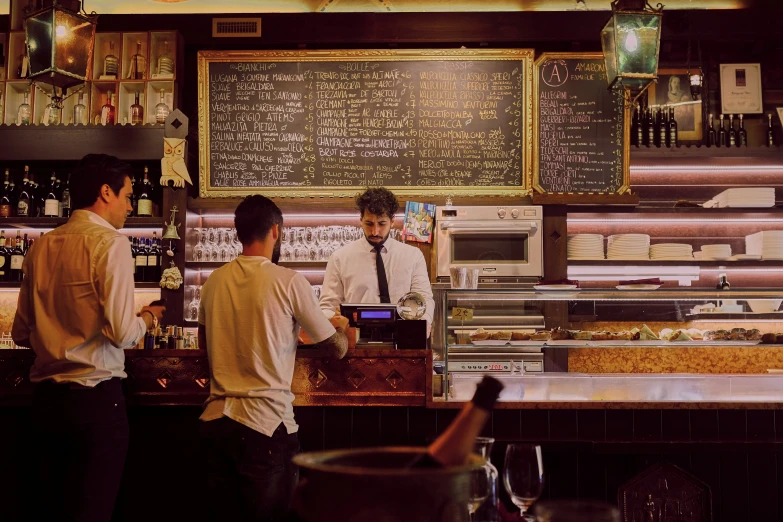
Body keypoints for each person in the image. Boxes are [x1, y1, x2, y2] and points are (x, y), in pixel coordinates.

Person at [11, 154, 165, 522]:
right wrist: (147, 318)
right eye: (128, 196)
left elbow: (20, 333)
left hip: (45, 404)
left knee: (50, 509)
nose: (131, 205)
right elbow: (122, 334)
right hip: (95, 403)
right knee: (91, 510)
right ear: (105, 192)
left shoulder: (40, 246)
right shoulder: (111, 244)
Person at [197, 194, 349, 522]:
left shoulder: (212, 283)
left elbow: (203, 346)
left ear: (237, 233)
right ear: (276, 231)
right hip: (264, 427)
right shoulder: (288, 281)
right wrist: (344, 329)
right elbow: (334, 349)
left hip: (215, 424)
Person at [319, 187, 435, 334]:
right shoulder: (340, 258)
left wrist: (424, 322)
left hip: (403, 339)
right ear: (360, 219)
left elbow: (424, 299)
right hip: (354, 342)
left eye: (381, 224)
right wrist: (332, 320)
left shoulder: (413, 256)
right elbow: (328, 307)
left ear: (392, 221)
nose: (375, 231)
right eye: (369, 224)